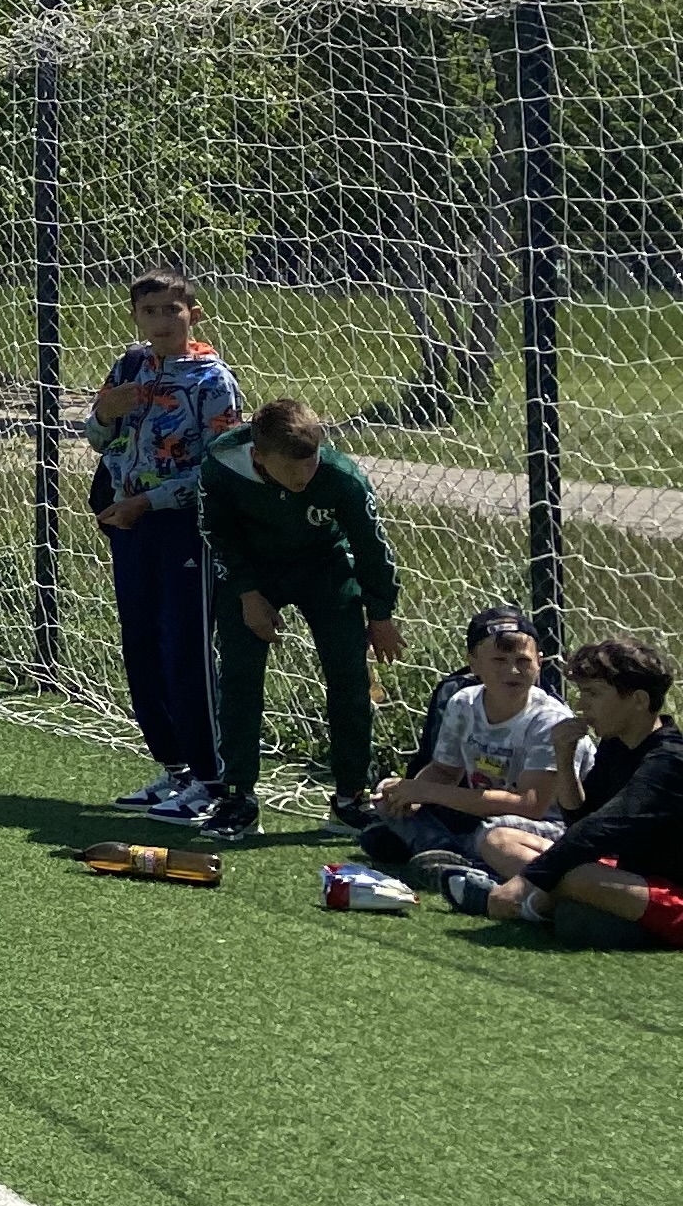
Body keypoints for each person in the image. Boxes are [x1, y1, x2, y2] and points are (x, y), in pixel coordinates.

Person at [191, 398, 407, 839]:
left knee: (349, 676)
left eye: (310, 466)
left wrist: (381, 613)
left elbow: (372, 548)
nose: (303, 478)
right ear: (258, 456)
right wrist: (248, 594)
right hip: (252, 572)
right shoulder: (221, 465)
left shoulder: (341, 478)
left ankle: (350, 798)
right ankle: (238, 797)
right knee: (239, 675)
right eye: (292, 471)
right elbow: (215, 531)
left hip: (324, 569)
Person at [86, 269, 240, 819]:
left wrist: (151, 502)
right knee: (141, 646)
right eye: (148, 312)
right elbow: (100, 436)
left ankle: (213, 779)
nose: (160, 322)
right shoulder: (129, 365)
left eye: (171, 311)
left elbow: (221, 468)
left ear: (192, 315)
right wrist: (105, 412)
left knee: (184, 650)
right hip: (128, 526)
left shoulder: (211, 381)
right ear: (135, 317)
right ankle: (175, 768)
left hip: (182, 529)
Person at [444, 636, 683, 945]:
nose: (581, 705)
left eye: (593, 694)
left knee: (574, 875)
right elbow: (582, 818)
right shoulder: (617, 742)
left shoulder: (669, 760)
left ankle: (519, 905)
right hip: (629, 873)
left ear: (638, 700)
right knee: (500, 839)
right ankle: (552, 904)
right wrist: (563, 756)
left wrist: (527, 880)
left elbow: (601, 828)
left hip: (673, 894)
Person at [359, 607, 577, 880]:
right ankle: (444, 851)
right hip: (482, 810)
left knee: (493, 832)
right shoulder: (463, 703)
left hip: (543, 824)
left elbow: (530, 805)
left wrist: (428, 793)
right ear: (473, 664)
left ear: (539, 663)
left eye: (523, 661)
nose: (512, 670)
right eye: (499, 660)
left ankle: (437, 850)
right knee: (387, 791)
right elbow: (445, 772)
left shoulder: (549, 720)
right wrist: (411, 795)